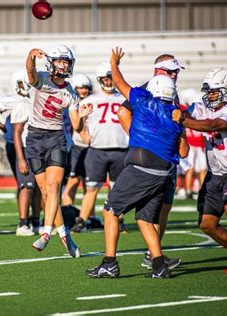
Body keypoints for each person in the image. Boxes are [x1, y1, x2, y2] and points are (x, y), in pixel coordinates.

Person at [85, 47, 188, 279]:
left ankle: (109, 263)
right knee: (144, 219)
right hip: (163, 173)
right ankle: (159, 265)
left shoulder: (142, 100)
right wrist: (179, 128)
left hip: (141, 168)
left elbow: (120, 84)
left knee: (111, 211)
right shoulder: (176, 113)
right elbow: (184, 150)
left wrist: (113, 63)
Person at [173, 68, 227, 275]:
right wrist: (175, 111)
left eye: (214, 91)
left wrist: (182, 120)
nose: (209, 95)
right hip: (215, 173)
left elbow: (212, 125)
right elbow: (189, 112)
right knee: (207, 224)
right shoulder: (202, 106)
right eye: (208, 91)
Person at [118, 53, 184, 268]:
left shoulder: (169, 91)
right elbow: (122, 112)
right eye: (169, 71)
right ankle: (153, 255)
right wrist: (142, 141)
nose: (174, 75)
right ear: (157, 71)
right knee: (147, 209)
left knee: (165, 206)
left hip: (167, 158)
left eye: (175, 71)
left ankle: (154, 254)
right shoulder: (149, 88)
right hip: (154, 157)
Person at [26, 45, 86, 257]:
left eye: (66, 62)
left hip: (55, 138)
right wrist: (31, 56)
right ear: (51, 62)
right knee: (44, 192)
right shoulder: (41, 78)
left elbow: (76, 127)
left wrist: (83, 116)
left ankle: (45, 234)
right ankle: (65, 235)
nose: (63, 65)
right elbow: (30, 73)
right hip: (34, 137)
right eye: (59, 61)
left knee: (53, 189)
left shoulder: (71, 92)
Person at [69, 62, 128, 233]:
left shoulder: (124, 98)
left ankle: (119, 220)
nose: (109, 82)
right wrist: (84, 136)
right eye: (106, 79)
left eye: (111, 78)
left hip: (120, 149)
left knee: (117, 189)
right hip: (97, 150)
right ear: (100, 80)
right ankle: (82, 220)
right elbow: (78, 124)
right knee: (92, 188)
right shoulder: (90, 100)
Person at [9, 69, 42, 236]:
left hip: (41, 149)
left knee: (38, 188)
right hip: (27, 149)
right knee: (26, 186)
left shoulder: (40, 100)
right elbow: (16, 132)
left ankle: (36, 221)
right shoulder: (21, 104)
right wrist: (21, 159)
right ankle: (22, 223)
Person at [61, 74, 92, 208]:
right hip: (76, 146)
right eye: (80, 88)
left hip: (91, 146)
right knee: (73, 180)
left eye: (86, 88)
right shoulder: (70, 104)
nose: (84, 91)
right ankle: (68, 211)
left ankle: (89, 216)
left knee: (89, 183)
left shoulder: (93, 101)